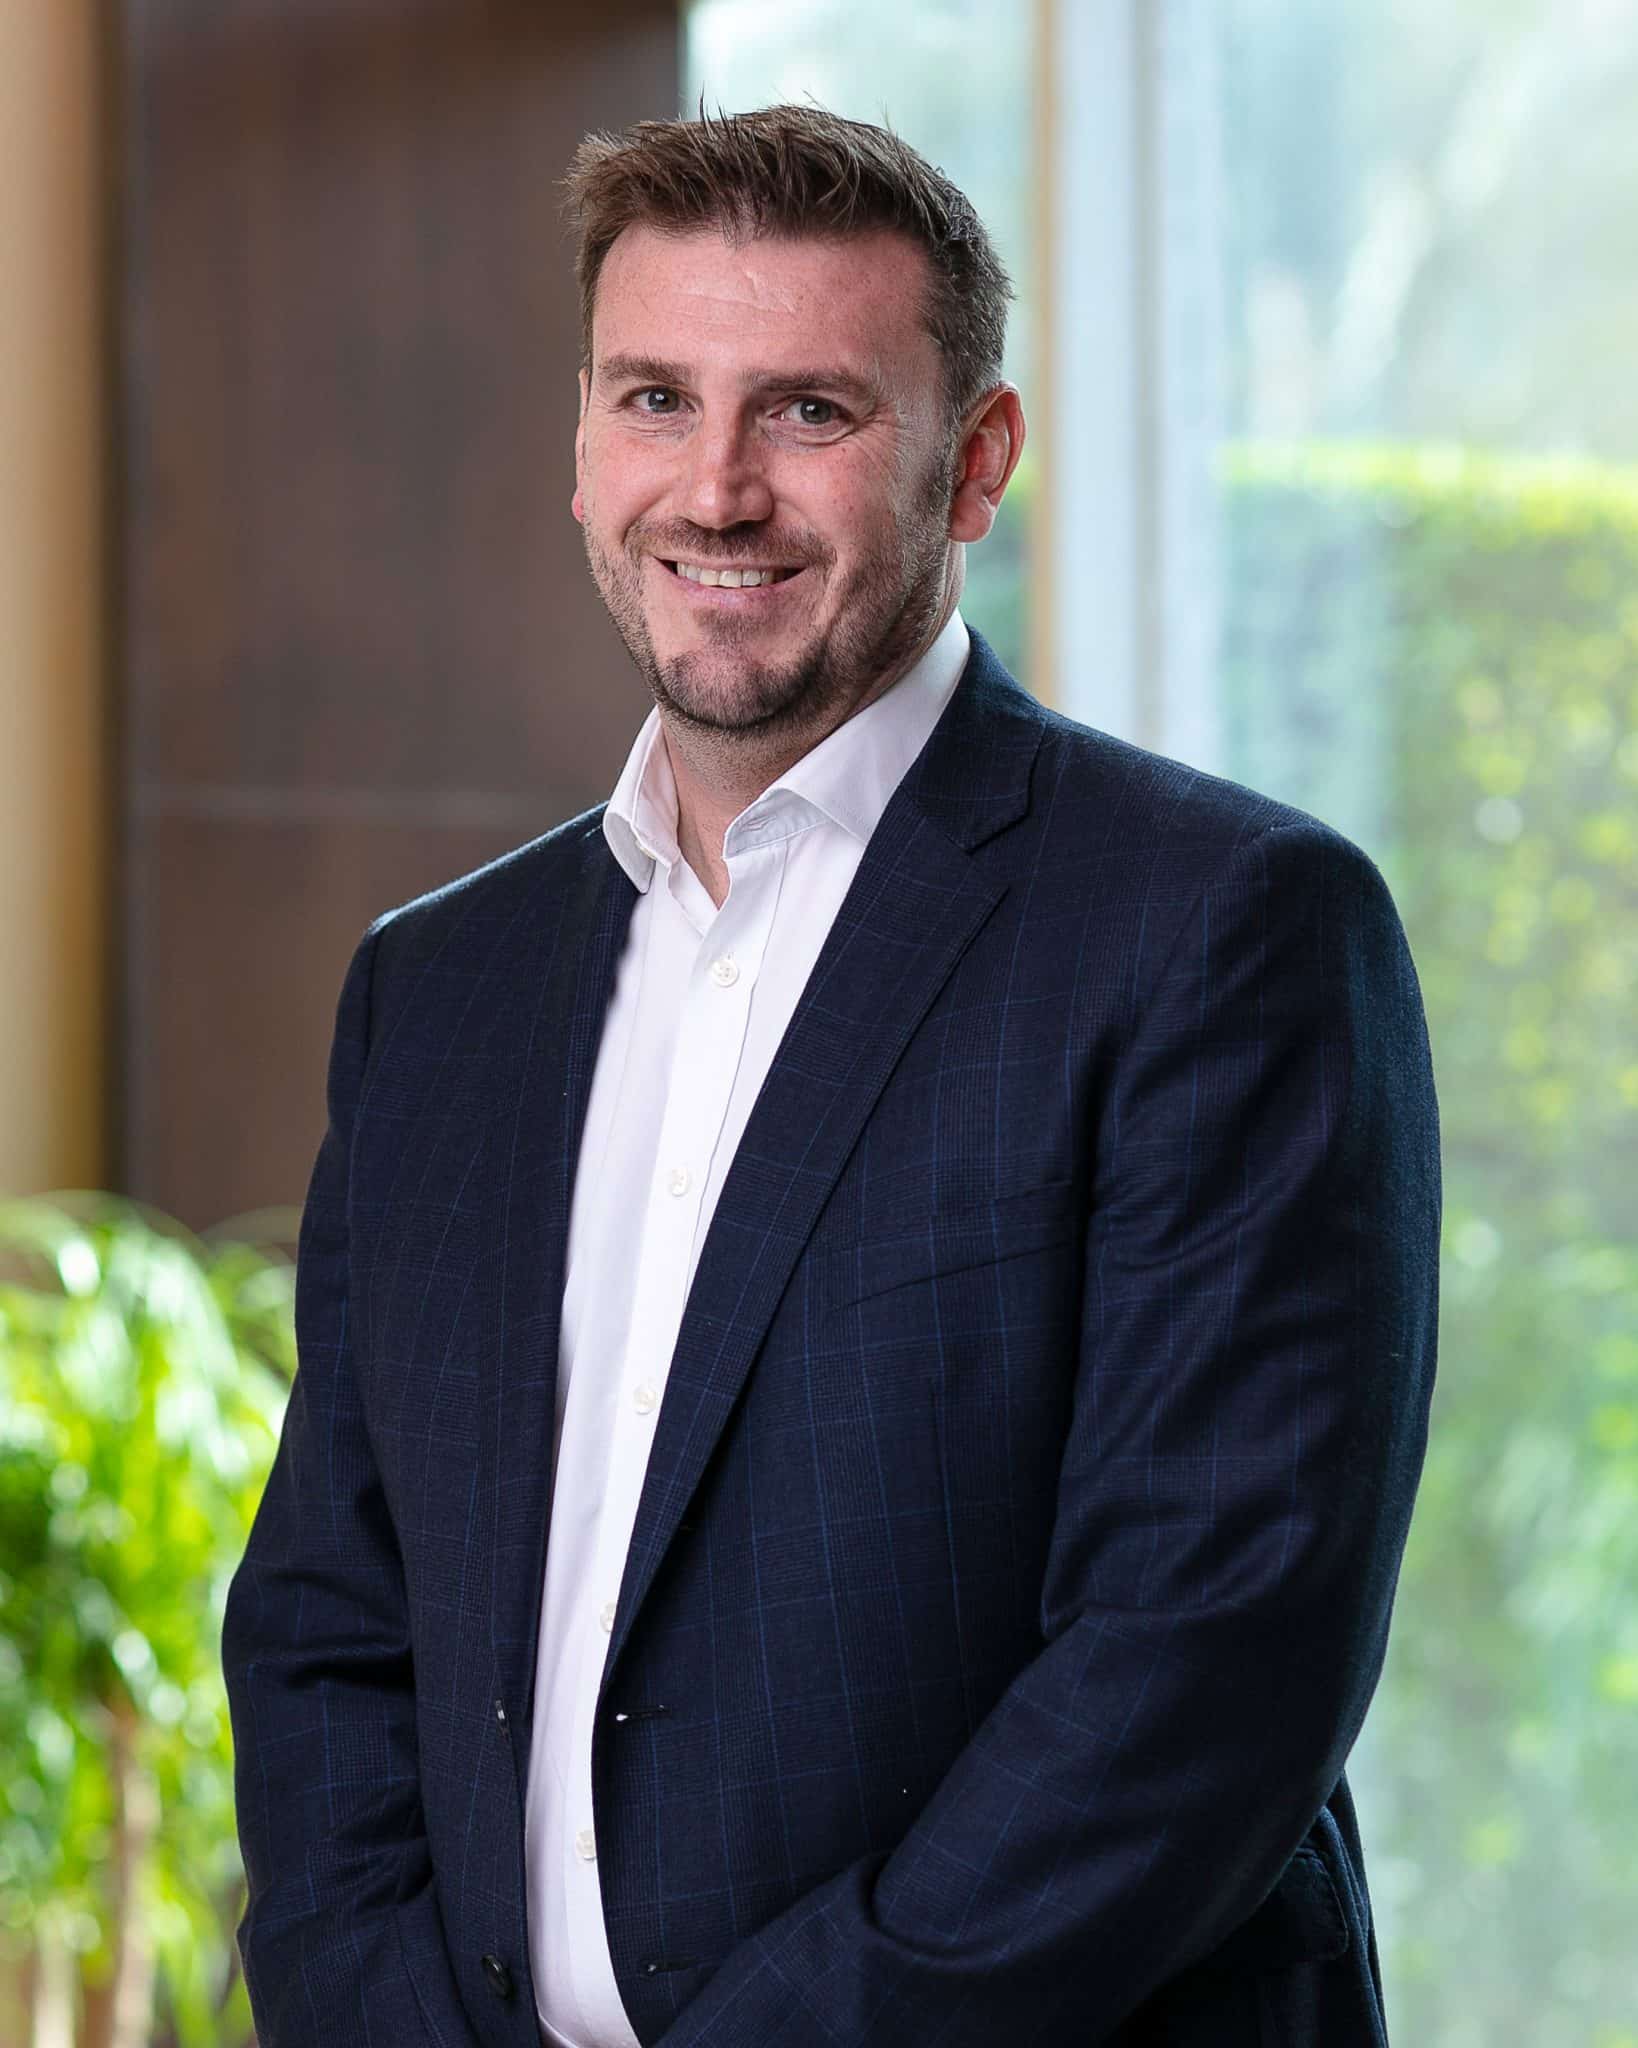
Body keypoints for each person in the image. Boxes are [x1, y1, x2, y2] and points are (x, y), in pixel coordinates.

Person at [222, 104, 1440, 2048]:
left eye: (809, 412)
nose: (716, 490)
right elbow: (327, 1624)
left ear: (977, 463)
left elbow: (1205, 1663)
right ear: (581, 446)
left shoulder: (1219, 929)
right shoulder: (439, 989)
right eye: (654, 399)